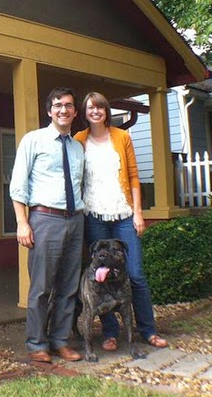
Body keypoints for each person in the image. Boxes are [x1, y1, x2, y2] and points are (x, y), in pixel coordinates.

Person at [74, 91, 168, 351]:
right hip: (94, 216)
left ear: (106, 111)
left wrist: (138, 212)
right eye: (90, 108)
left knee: (135, 275)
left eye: (100, 107)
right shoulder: (79, 140)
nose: (95, 111)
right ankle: (111, 333)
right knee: (100, 275)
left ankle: (148, 330)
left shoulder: (122, 136)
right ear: (85, 112)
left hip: (124, 214)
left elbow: (134, 176)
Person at [10, 87, 85, 363]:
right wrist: (22, 223)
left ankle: (60, 341)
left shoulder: (78, 148)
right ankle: (37, 344)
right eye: (57, 105)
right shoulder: (34, 140)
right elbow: (18, 184)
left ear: (75, 112)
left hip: (75, 219)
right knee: (41, 287)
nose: (63, 110)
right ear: (49, 111)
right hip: (45, 219)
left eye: (68, 105)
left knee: (69, 285)